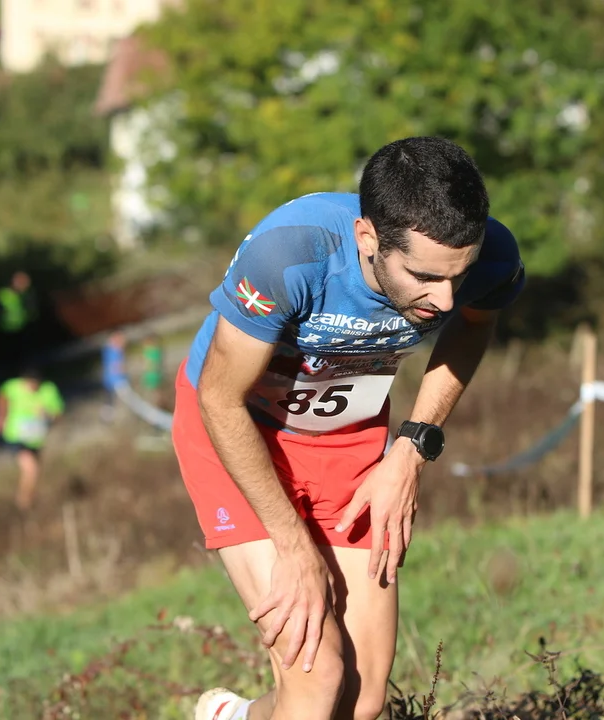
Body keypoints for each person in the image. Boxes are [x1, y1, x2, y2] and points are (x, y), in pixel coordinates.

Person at [174, 136, 526, 720]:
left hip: (348, 439)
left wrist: (410, 450)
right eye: (422, 276)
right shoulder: (289, 255)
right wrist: (293, 546)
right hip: (239, 429)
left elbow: (473, 325)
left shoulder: (491, 258)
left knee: (361, 701)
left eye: (457, 277)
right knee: (318, 681)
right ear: (368, 238)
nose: (444, 300)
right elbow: (219, 399)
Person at [0, 367, 65, 511]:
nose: (32, 387)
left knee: (34, 473)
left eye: (35, 384)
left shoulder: (49, 390)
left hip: (36, 439)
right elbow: (2, 395)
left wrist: (48, 415)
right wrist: (0, 416)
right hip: (15, 437)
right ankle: (22, 505)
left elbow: (60, 414)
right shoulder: (12, 386)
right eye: (29, 384)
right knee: (31, 469)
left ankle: (29, 502)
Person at [0, 270, 36, 334]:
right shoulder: (4, 294)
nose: (22, 282)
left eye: (25, 280)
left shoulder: (29, 296)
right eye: (19, 280)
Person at [101, 331, 127, 422]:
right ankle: (108, 418)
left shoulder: (112, 350)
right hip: (115, 381)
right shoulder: (113, 351)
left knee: (110, 400)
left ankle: (108, 417)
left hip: (112, 380)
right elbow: (116, 367)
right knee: (112, 400)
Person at [140, 333, 165, 407]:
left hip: (152, 378)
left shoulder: (151, 352)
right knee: (153, 398)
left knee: (152, 399)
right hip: (153, 378)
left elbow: (149, 365)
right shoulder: (156, 351)